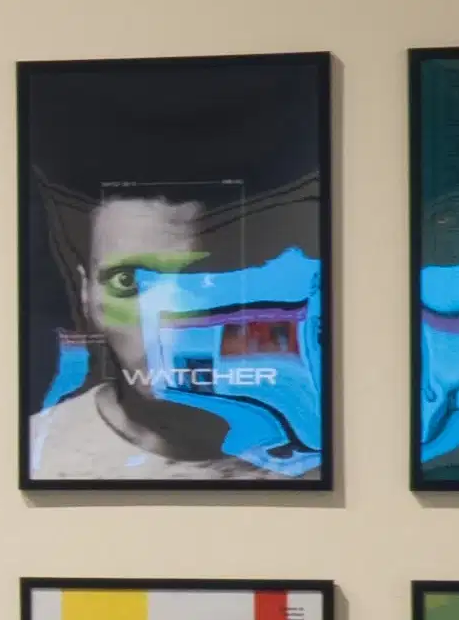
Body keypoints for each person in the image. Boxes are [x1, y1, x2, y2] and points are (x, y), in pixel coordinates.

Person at [31, 179, 306, 480]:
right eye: (127, 281)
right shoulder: (36, 455)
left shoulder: (316, 456)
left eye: (205, 280)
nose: (167, 326)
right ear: (86, 294)